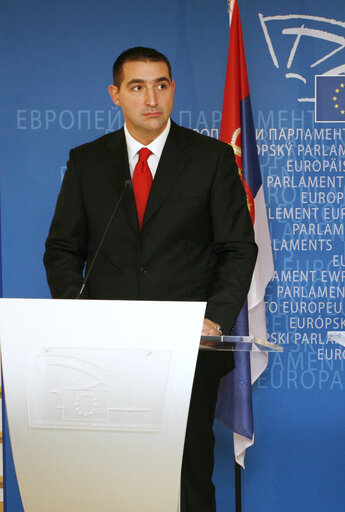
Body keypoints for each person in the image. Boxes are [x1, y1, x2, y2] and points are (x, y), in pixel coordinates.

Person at [43, 47, 257, 511]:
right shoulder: (88, 162)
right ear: (115, 95)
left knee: (188, 477)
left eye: (161, 85)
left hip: (189, 350)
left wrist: (216, 320)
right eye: (137, 87)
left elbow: (238, 249)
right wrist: (80, 315)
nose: (151, 98)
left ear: (173, 90)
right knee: (112, 479)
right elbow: (62, 250)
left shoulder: (212, 158)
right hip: (106, 356)